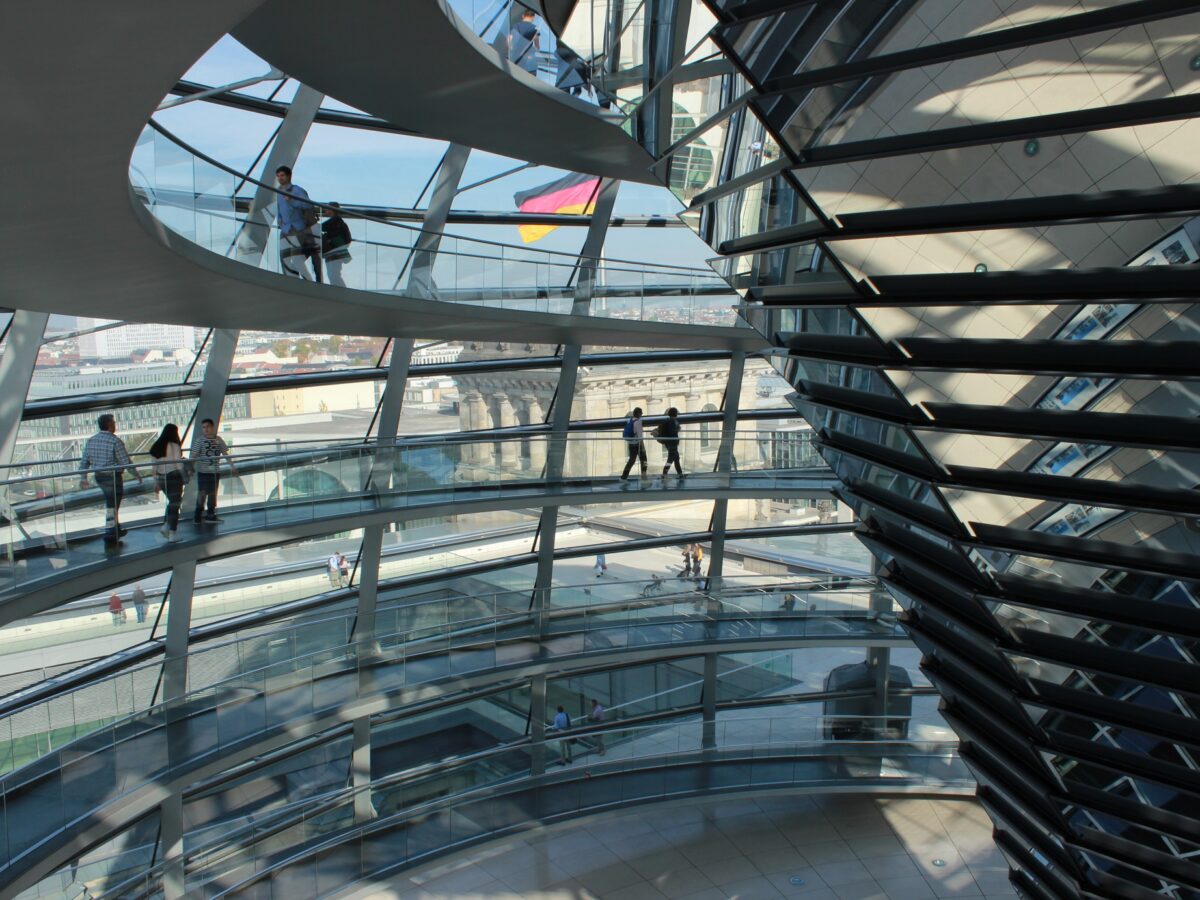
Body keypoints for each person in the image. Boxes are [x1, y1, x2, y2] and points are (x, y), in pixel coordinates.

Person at [79, 413, 142, 545]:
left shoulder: (92, 440)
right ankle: (111, 532)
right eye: (113, 423)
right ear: (109, 425)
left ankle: (116, 529)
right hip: (113, 477)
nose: (115, 425)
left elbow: (85, 461)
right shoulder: (115, 441)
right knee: (112, 505)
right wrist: (136, 474)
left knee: (111, 504)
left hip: (99, 477)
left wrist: (83, 477)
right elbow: (125, 461)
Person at [275, 165, 321, 282]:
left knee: (296, 258)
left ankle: (308, 281)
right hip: (285, 228)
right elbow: (279, 208)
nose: (280, 178)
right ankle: (290, 280)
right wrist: (279, 220)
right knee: (284, 257)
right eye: (278, 176)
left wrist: (291, 200)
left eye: (282, 175)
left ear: (289, 176)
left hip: (299, 228)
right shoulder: (278, 192)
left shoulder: (297, 190)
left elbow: (307, 205)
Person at [190, 419, 236, 524]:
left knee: (212, 494)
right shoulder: (200, 440)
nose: (206, 429)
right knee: (202, 493)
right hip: (203, 472)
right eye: (203, 427)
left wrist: (232, 466)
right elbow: (194, 456)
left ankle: (210, 515)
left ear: (212, 427)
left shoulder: (218, 440)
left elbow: (225, 453)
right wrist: (190, 468)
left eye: (207, 427)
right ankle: (198, 516)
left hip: (215, 472)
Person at [148, 423, 185, 542]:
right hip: (174, 476)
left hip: (161, 479)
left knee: (172, 503)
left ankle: (167, 527)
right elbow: (178, 464)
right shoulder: (174, 446)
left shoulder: (155, 446)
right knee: (175, 504)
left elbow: (153, 468)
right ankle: (171, 532)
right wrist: (184, 476)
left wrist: (156, 482)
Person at [320, 203, 352, 287]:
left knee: (333, 274)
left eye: (327, 208)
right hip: (336, 252)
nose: (325, 210)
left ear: (332, 210)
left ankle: (341, 292)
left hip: (334, 252)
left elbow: (321, 227)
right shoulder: (338, 221)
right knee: (334, 274)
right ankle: (340, 291)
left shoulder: (335, 220)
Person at [508, 9, 540, 75]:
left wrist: (511, 48)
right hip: (527, 58)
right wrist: (533, 49)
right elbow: (537, 46)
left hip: (515, 55)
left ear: (523, 16)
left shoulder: (516, 25)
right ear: (533, 17)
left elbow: (509, 39)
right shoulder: (535, 28)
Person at [620, 407, 647, 481]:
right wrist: (643, 447)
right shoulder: (638, 422)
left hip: (631, 443)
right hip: (637, 444)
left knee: (631, 460)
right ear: (638, 414)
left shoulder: (630, 420)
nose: (642, 414)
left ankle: (623, 477)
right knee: (644, 460)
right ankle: (644, 477)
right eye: (641, 412)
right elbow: (640, 437)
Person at [657, 407, 683, 480]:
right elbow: (672, 433)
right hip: (672, 444)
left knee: (676, 458)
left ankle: (680, 474)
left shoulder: (668, 421)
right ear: (676, 414)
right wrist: (677, 429)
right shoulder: (672, 422)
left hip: (669, 443)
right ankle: (664, 474)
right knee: (671, 460)